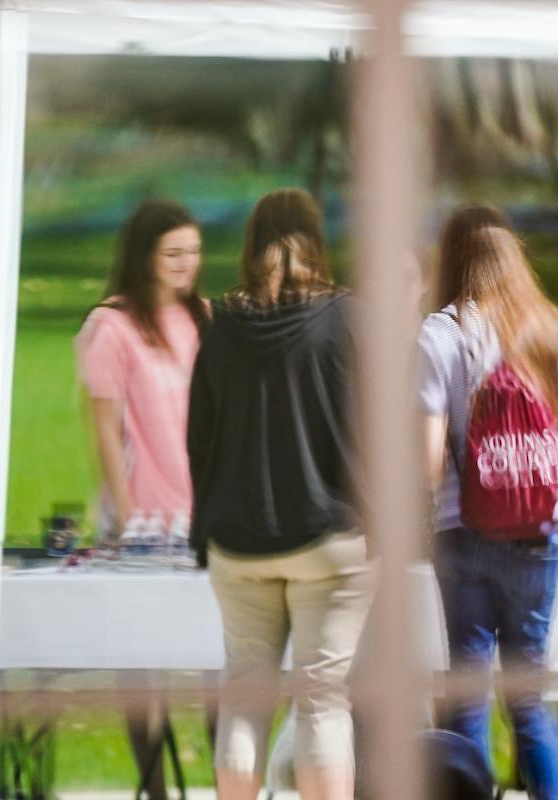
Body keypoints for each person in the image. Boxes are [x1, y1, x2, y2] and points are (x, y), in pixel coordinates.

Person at [187, 188, 373, 800]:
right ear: (316, 240)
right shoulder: (348, 318)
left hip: (237, 540)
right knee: (322, 700)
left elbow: (199, 437)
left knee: (245, 693)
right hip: (331, 538)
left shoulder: (219, 324)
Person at [417, 204, 558, 800]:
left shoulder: (440, 333)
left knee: (466, 690)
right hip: (537, 534)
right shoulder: (547, 327)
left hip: (459, 529)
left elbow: (429, 460)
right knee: (530, 695)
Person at [75, 198, 211, 800]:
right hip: (142, 515)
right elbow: (103, 428)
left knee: (217, 659)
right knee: (143, 663)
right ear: (144, 257)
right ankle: (156, 787)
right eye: (173, 254)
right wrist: (126, 513)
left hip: (205, 511)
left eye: (194, 253)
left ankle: (232, 780)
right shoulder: (111, 325)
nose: (187, 265)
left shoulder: (205, 317)